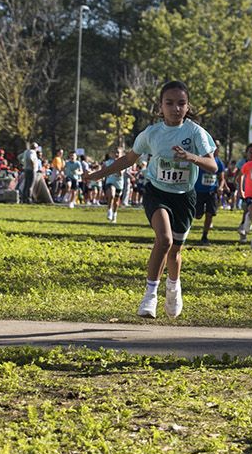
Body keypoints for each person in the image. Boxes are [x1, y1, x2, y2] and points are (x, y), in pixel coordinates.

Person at [83, 80, 217, 318]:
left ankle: (173, 288)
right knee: (163, 240)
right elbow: (128, 160)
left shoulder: (195, 132)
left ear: (188, 106)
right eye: (169, 103)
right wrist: (97, 175)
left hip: (184, 197)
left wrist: (191, 157)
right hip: (157, 192)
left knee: (175, 251)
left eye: (181, 103)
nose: (175, 108)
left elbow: (212, 165)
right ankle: (150, 296)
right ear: (160, 107)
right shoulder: (152, 133)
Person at [193, 154, 222, 242]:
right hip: (199, 191)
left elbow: (222, 177)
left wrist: (220, 187)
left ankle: (205, 236)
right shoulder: (200, 158)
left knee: (210, 214)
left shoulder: (218, 161)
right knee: (198, 215)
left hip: (212, 192)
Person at [102, 147, 126, 223]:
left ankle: (114, 215)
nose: (116, 154)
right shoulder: (107, 162)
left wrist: (117, 165)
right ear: (111, 154)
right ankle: (109, 211)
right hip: (110, 181)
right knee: (111, 195)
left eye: (118, 152)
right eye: (114, 152)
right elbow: (103, 171)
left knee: (116, 201)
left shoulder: (123, 163)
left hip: (119, 184)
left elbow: (120, 174)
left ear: (121, 154)